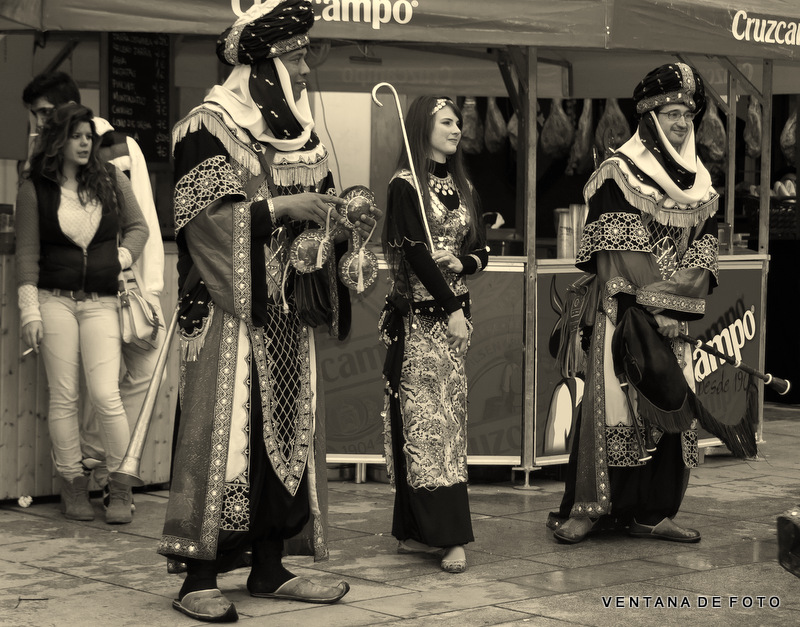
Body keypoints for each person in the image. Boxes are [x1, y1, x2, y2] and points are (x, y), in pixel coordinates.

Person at [157, 1, 379, 622]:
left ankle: (269, 566)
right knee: (221, 439)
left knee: (284, 437)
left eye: (306, 54)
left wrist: (341, 224)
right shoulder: (207, 126)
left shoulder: (302, 134)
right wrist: (287, 210)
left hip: (285, 317)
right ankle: (198, 574)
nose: (306, 70)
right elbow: (203, 226)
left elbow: (320, 211)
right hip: (226, 316)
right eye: (296, 56)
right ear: (262, 66)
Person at [549, 63, 720, 544]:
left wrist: (676, 311)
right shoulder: (617, 173)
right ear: (648, 116)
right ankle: (591, 509)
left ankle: (654, 512)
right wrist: (658, 311)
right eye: (671, 112)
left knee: (672, 411)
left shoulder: (701, 184)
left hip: (676, 322)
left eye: (688, 113)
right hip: (624, 315)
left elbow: (704, 252)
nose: (682, 123)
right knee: (614, 412)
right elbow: (621, 253)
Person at [22, 71, 166, 504]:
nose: (85, 143)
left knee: (108, 393)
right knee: (66, 396)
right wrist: (29, 310)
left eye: (87, 135)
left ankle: (119, 481)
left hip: (112, 295)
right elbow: (28, 255)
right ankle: (75, 482)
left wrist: (122, 263)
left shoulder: (111, 166)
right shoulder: (37, 185)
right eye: (75, 136)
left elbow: (141, 224)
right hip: (56, 300)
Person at [380, 96, 489, 574]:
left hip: (454, 323)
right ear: (423, 126)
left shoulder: (463, 186)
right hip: (421, 321)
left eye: (458, 123)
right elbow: (415, 254)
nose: (456, 129)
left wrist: (461, 263)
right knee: (424, 426)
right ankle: (447, 536)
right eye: (446, 121)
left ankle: (418, 530)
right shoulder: (405, 186)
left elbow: (479, 250)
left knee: (450, 425)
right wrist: (450, 308)